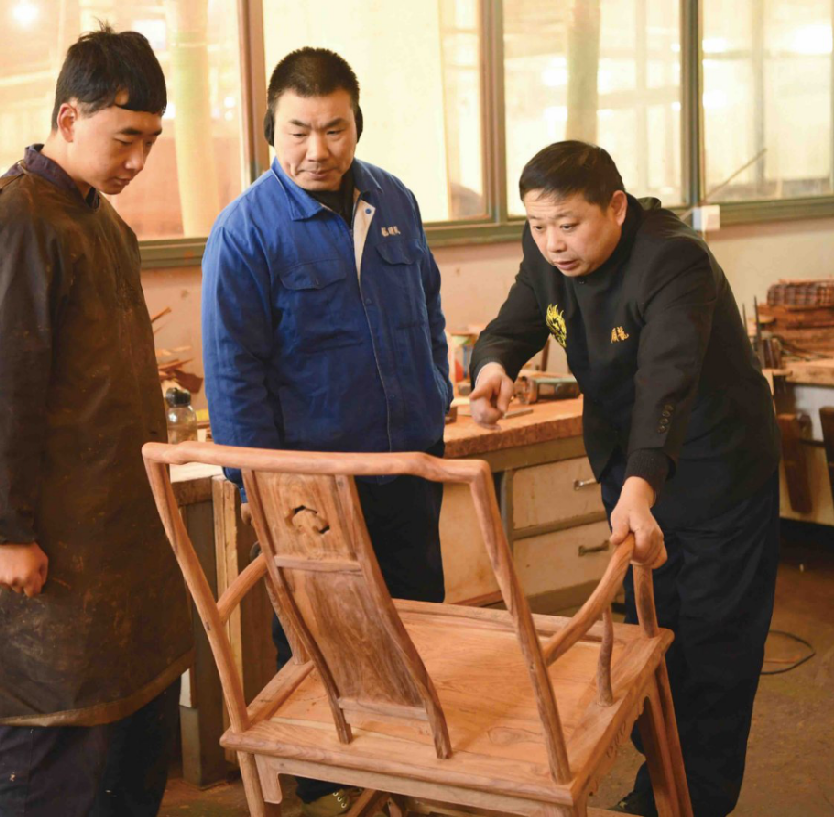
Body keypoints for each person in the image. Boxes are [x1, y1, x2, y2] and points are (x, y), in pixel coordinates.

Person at [469, 141, 780, 818]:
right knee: (648, 638)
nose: (552, 243)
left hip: (716, 472)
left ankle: (695, 803)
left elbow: (667, 380)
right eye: (537, 225)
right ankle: (659, 784)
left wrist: (641, 487)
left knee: (714, 647)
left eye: (568, 225)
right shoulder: (548, 252)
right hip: (629, 473)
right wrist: (493, 368)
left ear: (615, 206)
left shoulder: (673, 260)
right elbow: (514, 323)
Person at [0, 25, 192, 817]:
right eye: (125, 138)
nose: (138, 161)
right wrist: (3, 530)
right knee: (55, 771)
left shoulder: (101, 222)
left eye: (150, 141)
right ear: (70, 117)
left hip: (114, 545)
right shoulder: (15, 223)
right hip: (42, 553)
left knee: (126, 766)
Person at [201, 47, 452, 817]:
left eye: (335, 129)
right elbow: (234, 377)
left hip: (407, 470)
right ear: (270, 132)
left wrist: (436, 402)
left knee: (418, 634)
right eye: (299, 131)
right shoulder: (245, 233)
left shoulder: (395, 201)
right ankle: (331, 793)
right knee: (325, 652)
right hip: (314, 493)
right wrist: (263, 490)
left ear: (357, 125)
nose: (318, 149)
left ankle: (407, 786)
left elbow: (428, 315)